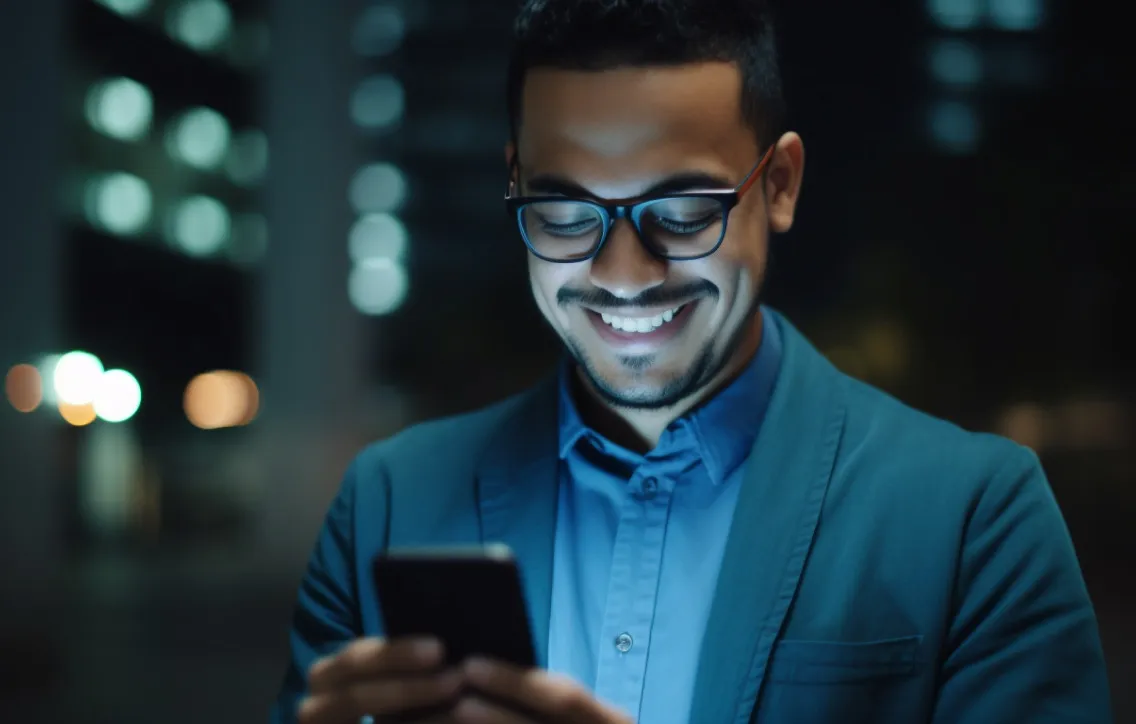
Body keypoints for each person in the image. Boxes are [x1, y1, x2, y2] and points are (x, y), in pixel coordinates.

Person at [272, 1, 1112, 722]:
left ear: (779, 184)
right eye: (565, 212)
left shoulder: (975, 518)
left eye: (681, 210)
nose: (625, 275)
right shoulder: (388, 501)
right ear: (516, 181)